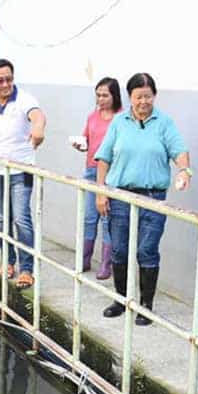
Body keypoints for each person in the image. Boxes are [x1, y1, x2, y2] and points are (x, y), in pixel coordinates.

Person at [93, 73, 191, 326]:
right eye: (139, 97)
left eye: (148, 96)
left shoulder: (164, 123)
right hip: (121, 196)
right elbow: (104, 158)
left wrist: (184, 170)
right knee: (119, 249)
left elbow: (179, 151)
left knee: (146, 250)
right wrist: (101, 191)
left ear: (154, 96)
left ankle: (146, 306)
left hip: (152, 197)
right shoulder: (119, 123)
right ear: (130, 97)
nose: (144, 102)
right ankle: (121, 300)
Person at [0, 59, 47, 290]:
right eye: (0, 80)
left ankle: (27, 268)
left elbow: (37, 116)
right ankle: (9, 260)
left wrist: (37, 131)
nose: (5, 84)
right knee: (2, 218)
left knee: (21, 218)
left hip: (21, 168)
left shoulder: (25, 99)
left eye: (9, 79)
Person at [75, 77, 121, 280]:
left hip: (111, 173)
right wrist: (80, 144)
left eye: (105, 95)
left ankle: (106, 263)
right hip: (91, 170)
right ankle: (85, 257)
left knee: (107, 218)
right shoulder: (92, 117)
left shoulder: (121, 119)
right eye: (98, 95)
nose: (101, 99)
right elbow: (86, 138)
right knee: (89, 217)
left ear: (114, 96)